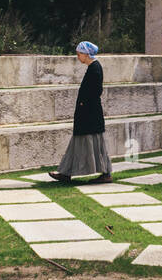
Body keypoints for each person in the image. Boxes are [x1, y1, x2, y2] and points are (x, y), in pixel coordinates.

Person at [48, 42, 113, 184]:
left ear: (86, 54)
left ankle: (105, 173)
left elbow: (96, 91)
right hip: (87, 113)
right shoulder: (93, 68)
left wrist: (84, 104)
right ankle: (66, 173)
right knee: (78, 142)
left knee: (94, 142)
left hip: (90, 114)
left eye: (79, 54)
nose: (78, 57)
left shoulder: (95, 68)